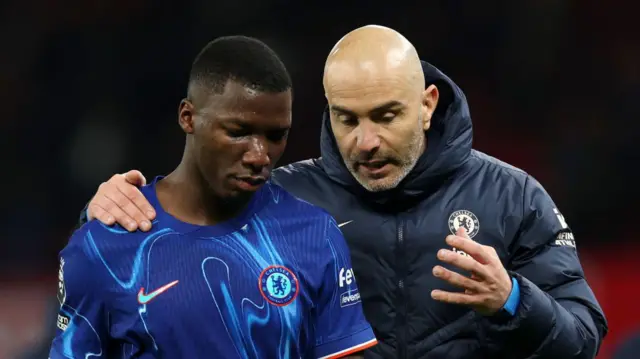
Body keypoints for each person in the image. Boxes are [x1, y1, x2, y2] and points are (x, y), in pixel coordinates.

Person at [78, 26, 607, 358]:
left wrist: (511, 300)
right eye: (347, 118)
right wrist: (104, 208)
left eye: (386, 116)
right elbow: (155, 243)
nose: (366, 142)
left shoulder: (513, 197)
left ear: (426, 103)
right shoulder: (277, 197)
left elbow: (583, 339)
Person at [50, 36, 377, 359]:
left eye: (276, 135)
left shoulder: (315, 235)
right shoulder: (103, 245)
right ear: (188, 117)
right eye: (239, 132)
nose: (260, 155)